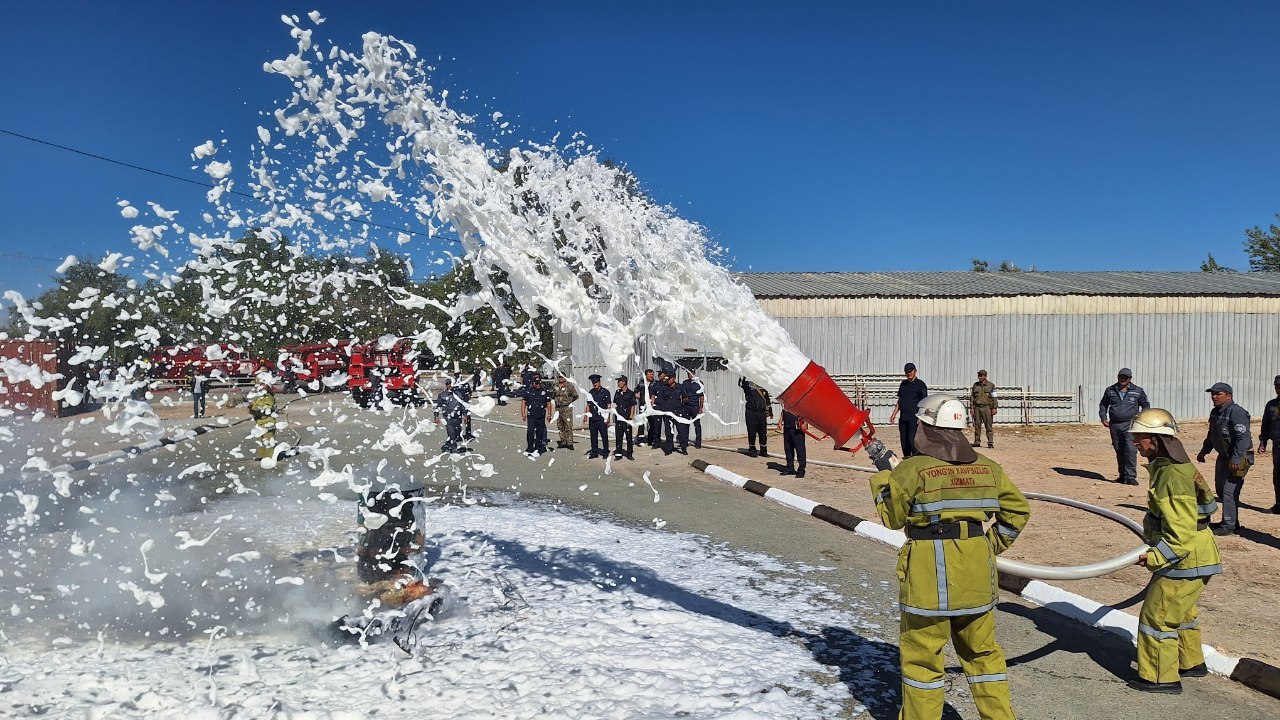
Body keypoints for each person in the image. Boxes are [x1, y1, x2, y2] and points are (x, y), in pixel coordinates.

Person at [870, 393, 1030, 720]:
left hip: (928, 580)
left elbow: (892, 517)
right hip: (975, 575)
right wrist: (988, 547)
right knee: (984, 656)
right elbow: (1018, 512)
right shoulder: (988, 468)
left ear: (925, 427)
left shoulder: (912, 469)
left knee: (922, 661)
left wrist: (885, 475)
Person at [1126, 408, 1222, 694]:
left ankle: (1160, 678)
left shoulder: (1171, 476)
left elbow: (1179, 535)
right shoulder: (1182, 468)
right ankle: (1190, 663)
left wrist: (1154, 556)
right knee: (1182, 613)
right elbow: (1207, 508)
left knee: (1157, 617)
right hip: (1200, 554)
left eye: (1139, 437)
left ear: (1156, 440)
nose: (1135, 443)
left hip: (1183, 560)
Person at [1196, 382, 1252, 535]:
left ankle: (1229, 526)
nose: (1214, 396)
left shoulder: (1236, 412)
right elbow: (1212, 435)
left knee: (1229, 491)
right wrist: (1204, 451)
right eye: (1212, 394)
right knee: (1221, 490)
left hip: (1239, 457)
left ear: (1229, 396)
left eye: (1218, 394)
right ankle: (1231, 521)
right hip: (1224, 456)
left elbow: (1243, 439)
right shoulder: (1216, 412)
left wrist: (1236, 459)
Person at [1099, 367, 1151, 485]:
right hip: (1115, 426)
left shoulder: (1138, 391)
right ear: (1118, 377)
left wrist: (1140, 418)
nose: (1123, 379)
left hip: (1131, 425)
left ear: (1130, 379)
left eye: (1126, 377)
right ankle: (1122, 475)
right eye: (1121, 377)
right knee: (1120, 450)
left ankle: (1130, 477)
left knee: (1130, 450)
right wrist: (1103, 417)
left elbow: (1146, 405)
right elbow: (1103, 405)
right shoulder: (1110, 390)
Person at [889, 362, 928, 458]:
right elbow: (900, 401)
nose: (909, 373)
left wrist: (921, 417)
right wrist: (894, 414)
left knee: (912, 440)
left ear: (915, 371)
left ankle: (916, 460)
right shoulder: (903, 384)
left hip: (914, 419)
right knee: (904, 442)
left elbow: (924, 402)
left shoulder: (920, 385)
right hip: (903, 418)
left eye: (910, 371)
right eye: (907, 371)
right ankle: (906, 459)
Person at [1257, 375, 1280, 514]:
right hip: (1277, 447)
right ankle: (1279, 504)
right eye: (1277, 386)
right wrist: (1263, 442)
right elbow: (1265, 424)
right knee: (1277, 476)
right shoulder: (1271, 405)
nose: (1279, 389)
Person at [739, 377, 773, 457]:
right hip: (751, 412)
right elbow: (740, 384)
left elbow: (767, 399)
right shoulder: (748, 384)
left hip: (762, 413)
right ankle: (752, 450)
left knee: (763, 432)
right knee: (752, 432)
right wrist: (744, 374)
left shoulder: (763, 385)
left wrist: (770, 411)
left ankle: (763, 451)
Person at [520, 374, 552, 455]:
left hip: (541, 415)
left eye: (539, 383)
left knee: (540, 432)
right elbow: (523, 403)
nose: (538, 385)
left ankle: (538, 447)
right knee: (530, 431)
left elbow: (548, 403)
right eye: (536, 383)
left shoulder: (544, 392)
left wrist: (549, 415)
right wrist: (523, 414)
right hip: (531, 416)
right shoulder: (528, 391)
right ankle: (530, 447)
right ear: (533, 383)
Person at [434, 377, 467, 453]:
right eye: (448, 384)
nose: (449, 385)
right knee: (451, 433)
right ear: (446, 385)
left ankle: (448, 444)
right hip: (448, 418)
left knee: (457, 434)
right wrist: (436, 417)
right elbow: (438, 406)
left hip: (457, 417)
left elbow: (462, 405)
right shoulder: (442, 395)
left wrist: (465, 415)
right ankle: (453, 448)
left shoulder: (459, 394)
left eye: (450, 383)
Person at [248, 380, 278, 460]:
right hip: (259, 421)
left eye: (263, 385)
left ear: (267, 388)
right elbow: (253, 406)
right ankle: (262, 456)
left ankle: (270, 457)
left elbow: (267, 408)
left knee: (268, 440)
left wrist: (256, 409)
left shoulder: (269, 397)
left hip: (268, 421)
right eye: (260, 385)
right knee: (260, 440)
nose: (261, 386)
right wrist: (250, 407)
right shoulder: (258, 397)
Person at [584, 374, 612, 458]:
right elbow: (588, 405)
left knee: (604, 436)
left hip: (602, 418)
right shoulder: (591, 392)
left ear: (600, 382)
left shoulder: (605, 392)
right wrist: (586, 415)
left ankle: (605, 451)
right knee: (593, 436)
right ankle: (594, 452)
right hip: (593, 418)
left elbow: (609, 405)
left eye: (596, 382)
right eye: (593, 382)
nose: (595, 384)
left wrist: (608, 417)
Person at [969, 369, 998, 449]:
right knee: (977, 426)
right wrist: (972, 407)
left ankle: (990, 443)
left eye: (981, 375)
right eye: (979, 375)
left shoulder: (991, 385)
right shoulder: (975, 385)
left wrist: (994, 407)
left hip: (987, 408)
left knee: (988, 426)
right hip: (977, 408)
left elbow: (994, 397)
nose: (979, 377)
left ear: (985, 376)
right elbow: (972, 397)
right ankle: (977, 442)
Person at [551, 375, 580, 450]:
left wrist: (569, 401)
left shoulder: (569, 386)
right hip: (558, 408)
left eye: (562, 377)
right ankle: (563, 442)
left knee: (568, 426)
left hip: (566, 408)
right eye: (559, 377)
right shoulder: (555, 386)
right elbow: (552, 395)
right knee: (560, 426)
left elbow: (576, 396)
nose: (561, 378)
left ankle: (569, 443)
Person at [613, 375, 638, 460]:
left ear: (624, 382)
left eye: (619, 381)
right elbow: (616, 404)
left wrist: (630, 417)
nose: (618, 383)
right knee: (618, 437)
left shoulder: (630, 393)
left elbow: (633, 406)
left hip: (627, 419)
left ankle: (629, 454)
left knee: (629, 438)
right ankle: (618, 454)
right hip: (619, 419)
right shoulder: (617, 392)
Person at [778, 409, 806, 477]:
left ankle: (801, 470)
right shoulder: (786, 400)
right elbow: (783, 410)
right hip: (787, 426)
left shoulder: (799, 400)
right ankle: (790, 468)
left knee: (800, 449)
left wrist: (805, 423)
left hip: (797, 427)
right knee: (788, 448)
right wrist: (780, 421)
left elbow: (806, 412)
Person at [682, 370, 705, 449]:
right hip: (686, 407)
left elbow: (701, 396)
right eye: (688, 374)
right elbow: (682, 395)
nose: (690, 375)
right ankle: (685, 442)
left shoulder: (699, 383)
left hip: (695, 407)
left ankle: (698, 443)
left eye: (691, 373)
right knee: (685, 425)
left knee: (697, 425)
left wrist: (701, 408)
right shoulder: (685, 383)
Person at [647, 370, 666, 449]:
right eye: (660, 375)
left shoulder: (669, 384)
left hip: (667, 408)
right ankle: (656, 442)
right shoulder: (655, 384)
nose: (661, 376)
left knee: (668, 426)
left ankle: (668, 443)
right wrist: (651, 407)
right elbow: (652, 396)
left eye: (663, 375)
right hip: (657, 407)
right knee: (657, 426)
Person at [634, 369, 653, 446]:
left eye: (652, 374)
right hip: (642, 406)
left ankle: (650, 441)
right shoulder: (641, 383)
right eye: (650, 374)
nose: (651, 376)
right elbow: (636, 389)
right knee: (641, 423)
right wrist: (636, 394)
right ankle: (640, 440)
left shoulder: (655, 383)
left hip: (651, 406)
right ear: (646, 375)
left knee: (651, 423)